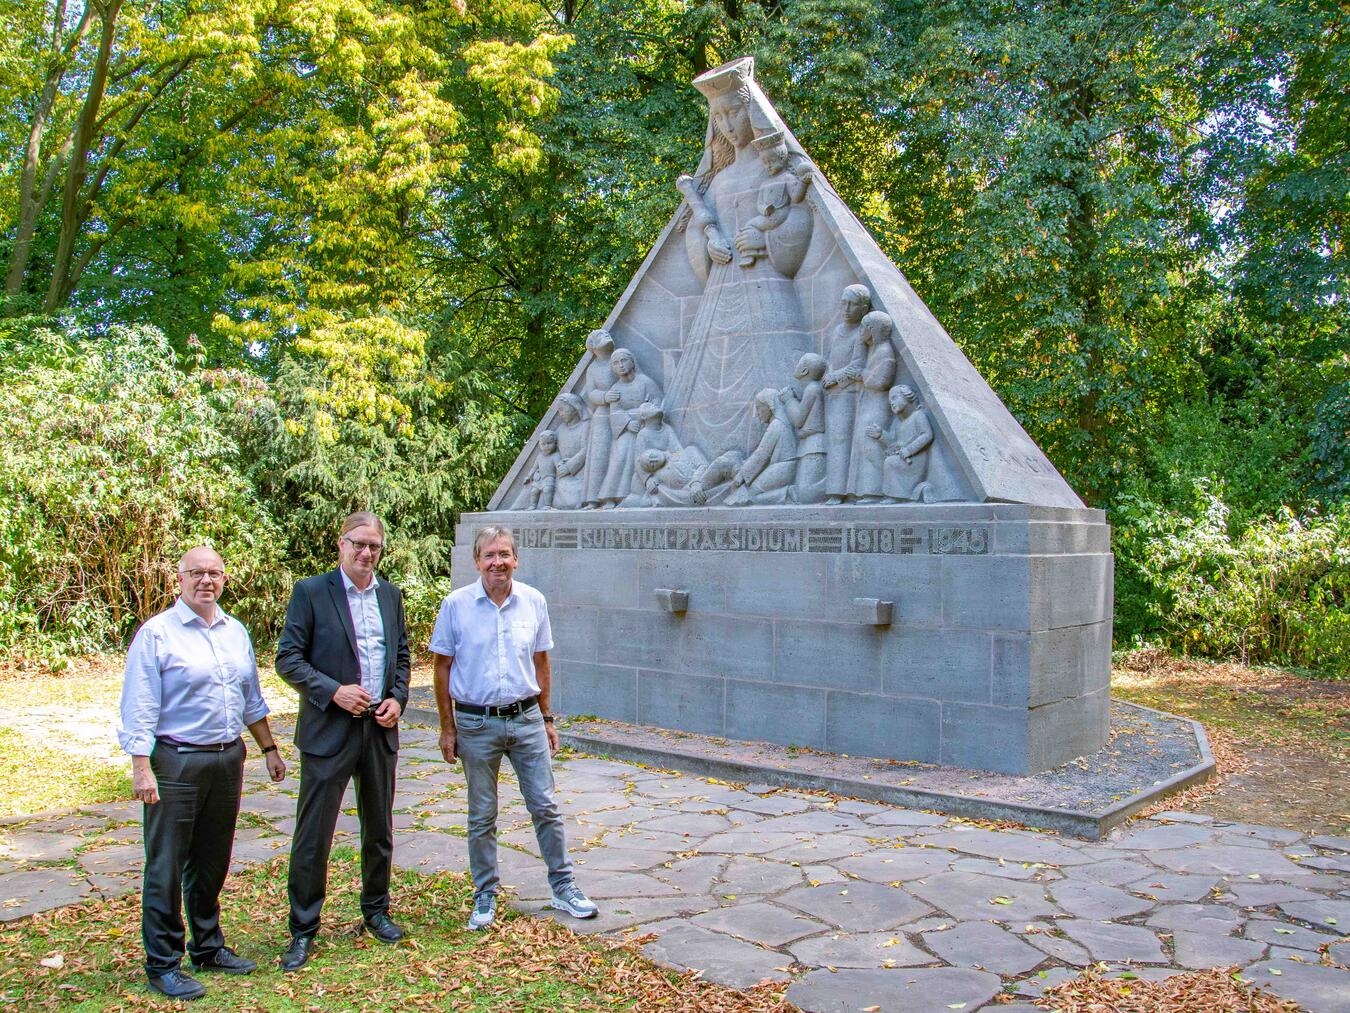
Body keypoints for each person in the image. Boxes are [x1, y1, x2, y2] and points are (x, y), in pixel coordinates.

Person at [118, 545, 287, 1001]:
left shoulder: (235, 632)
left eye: (214, 573)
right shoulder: (158, 635)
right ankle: (163, 962)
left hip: (226, 757)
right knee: (167, 864)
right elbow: (139, 704)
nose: (205, 581)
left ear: (225, 579)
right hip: (175, 760)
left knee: (212, 860)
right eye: (196, 573)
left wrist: (268, 747)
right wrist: (140, 766)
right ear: (180, 578)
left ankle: (208, 946)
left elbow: (250, 697)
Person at [428, 526, 598, 931]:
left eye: (505, 554)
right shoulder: (456, 605)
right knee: (482, 815)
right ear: (477, 561)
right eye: (489, 555)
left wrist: (547, 718)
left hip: (526, 720)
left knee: (546, 806)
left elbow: (541, 664)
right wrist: (447, 728)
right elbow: (441, 668)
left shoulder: (533, 602)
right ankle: (484, 893)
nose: (497, 562)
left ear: (516, 559)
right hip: (475, 722)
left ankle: (563, 886)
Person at [275, 511, 411, 972]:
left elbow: (404, 655)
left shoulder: (390, 596)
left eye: (374, 546)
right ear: (341, 544)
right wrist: (333, 691)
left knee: (380, 829)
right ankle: (303, 928)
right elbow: (288, 659)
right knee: (314, 834)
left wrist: (398, 697)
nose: (366, 553)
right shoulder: (312, 592)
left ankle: (376, 911)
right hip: (328, 731)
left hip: (378, 730)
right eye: (359, 544)